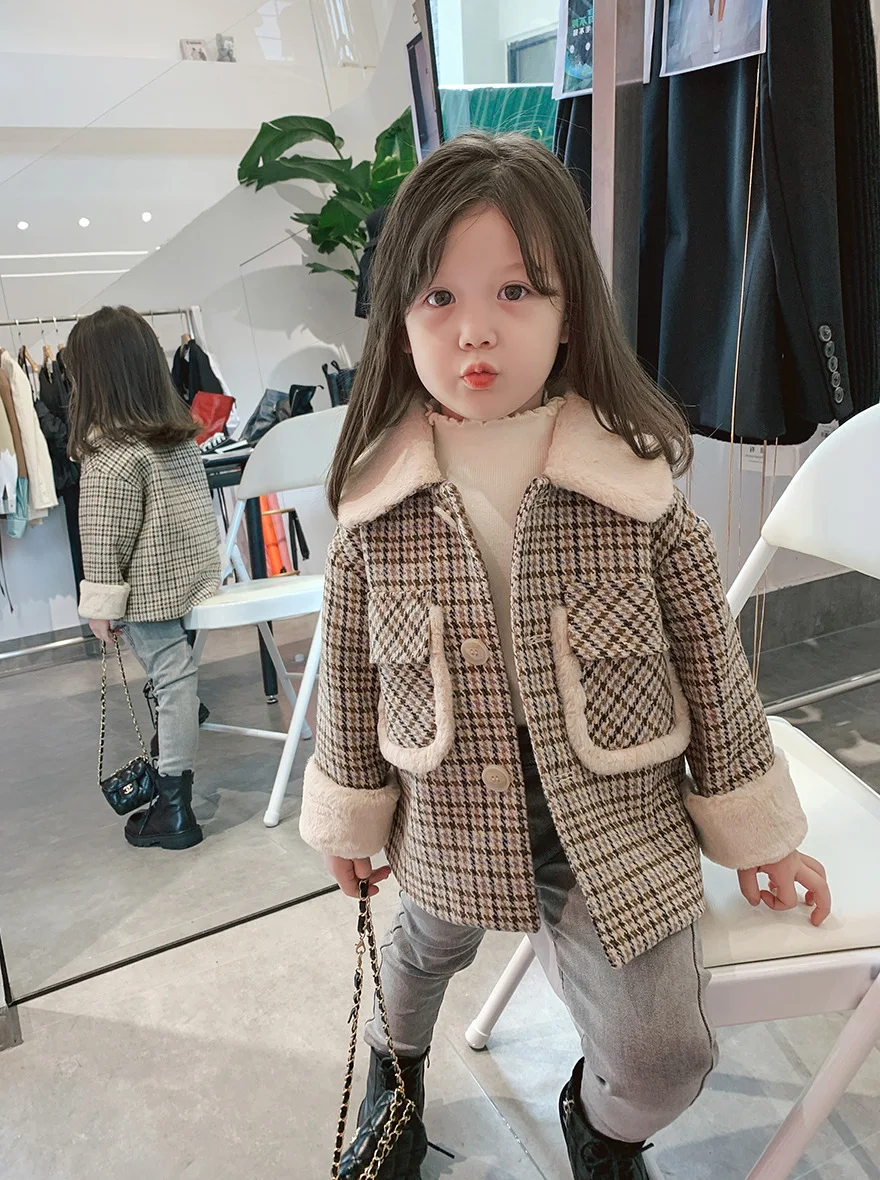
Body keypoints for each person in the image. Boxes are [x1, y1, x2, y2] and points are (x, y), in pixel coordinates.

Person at [299, 132, 832, 1180]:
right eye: (438, 298)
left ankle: (603, 1128)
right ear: (397, 322)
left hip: (619, 817)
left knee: (664, 1055)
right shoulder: (376, 512)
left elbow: (712, 668)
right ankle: (394, 1079)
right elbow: (351, 679)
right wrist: (350, 812)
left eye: (515, 290)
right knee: (419, 952)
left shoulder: (635, 493)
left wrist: (756, 830)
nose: (475, 330)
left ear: (570, 310)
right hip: (448, 809)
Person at [68, 306, 221, 852]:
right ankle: (180, 731)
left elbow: (103, 540)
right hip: (195, 582)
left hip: (149, 594)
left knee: (171, 678)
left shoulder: (110, 455)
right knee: (178, 679)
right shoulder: (177, 439)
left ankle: (174, 806)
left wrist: (100, 608)